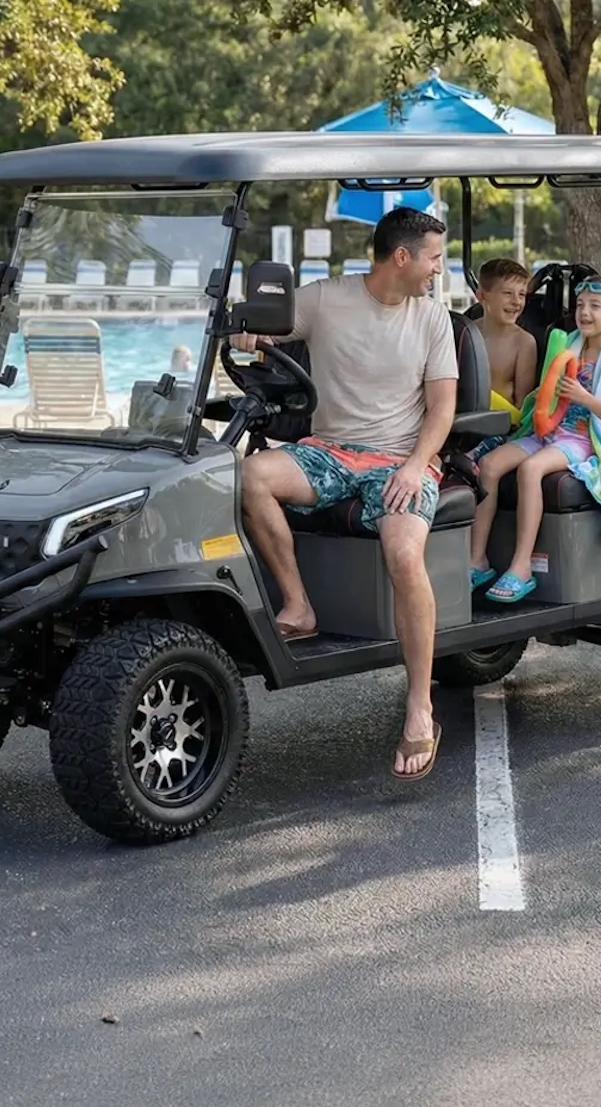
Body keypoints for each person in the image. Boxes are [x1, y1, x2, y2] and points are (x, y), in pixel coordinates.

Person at [233, 206, 458, 781]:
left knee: (403, 553)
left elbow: (442, 409)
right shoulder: (325, 299)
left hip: (401, 460)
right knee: (250, 476)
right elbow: (263, 326)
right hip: (331, 451)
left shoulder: (433, 317)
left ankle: (420, 705)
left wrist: (416, 466)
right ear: (402, 257)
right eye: (434, 258)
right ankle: (298, 606)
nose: (439, 268)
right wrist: (247, 329)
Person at [468, 275, 601, 603]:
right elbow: (545, 394)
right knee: (488, 465)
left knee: (531, 469)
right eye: (580, 305)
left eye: (595, 306)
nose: (584, 313)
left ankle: (522, 567)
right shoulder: (568, 345)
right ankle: (477, 560)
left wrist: (583, 397)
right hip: (550, 430)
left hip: (586, 437)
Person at [473, 257, 537, 421]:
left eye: (521, 294)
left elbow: (523, 404)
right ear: (481, 296)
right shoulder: (466, 332)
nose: (516, 302)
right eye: (508, 293)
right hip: (461, 419)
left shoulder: (524, 343)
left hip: (503, 425)